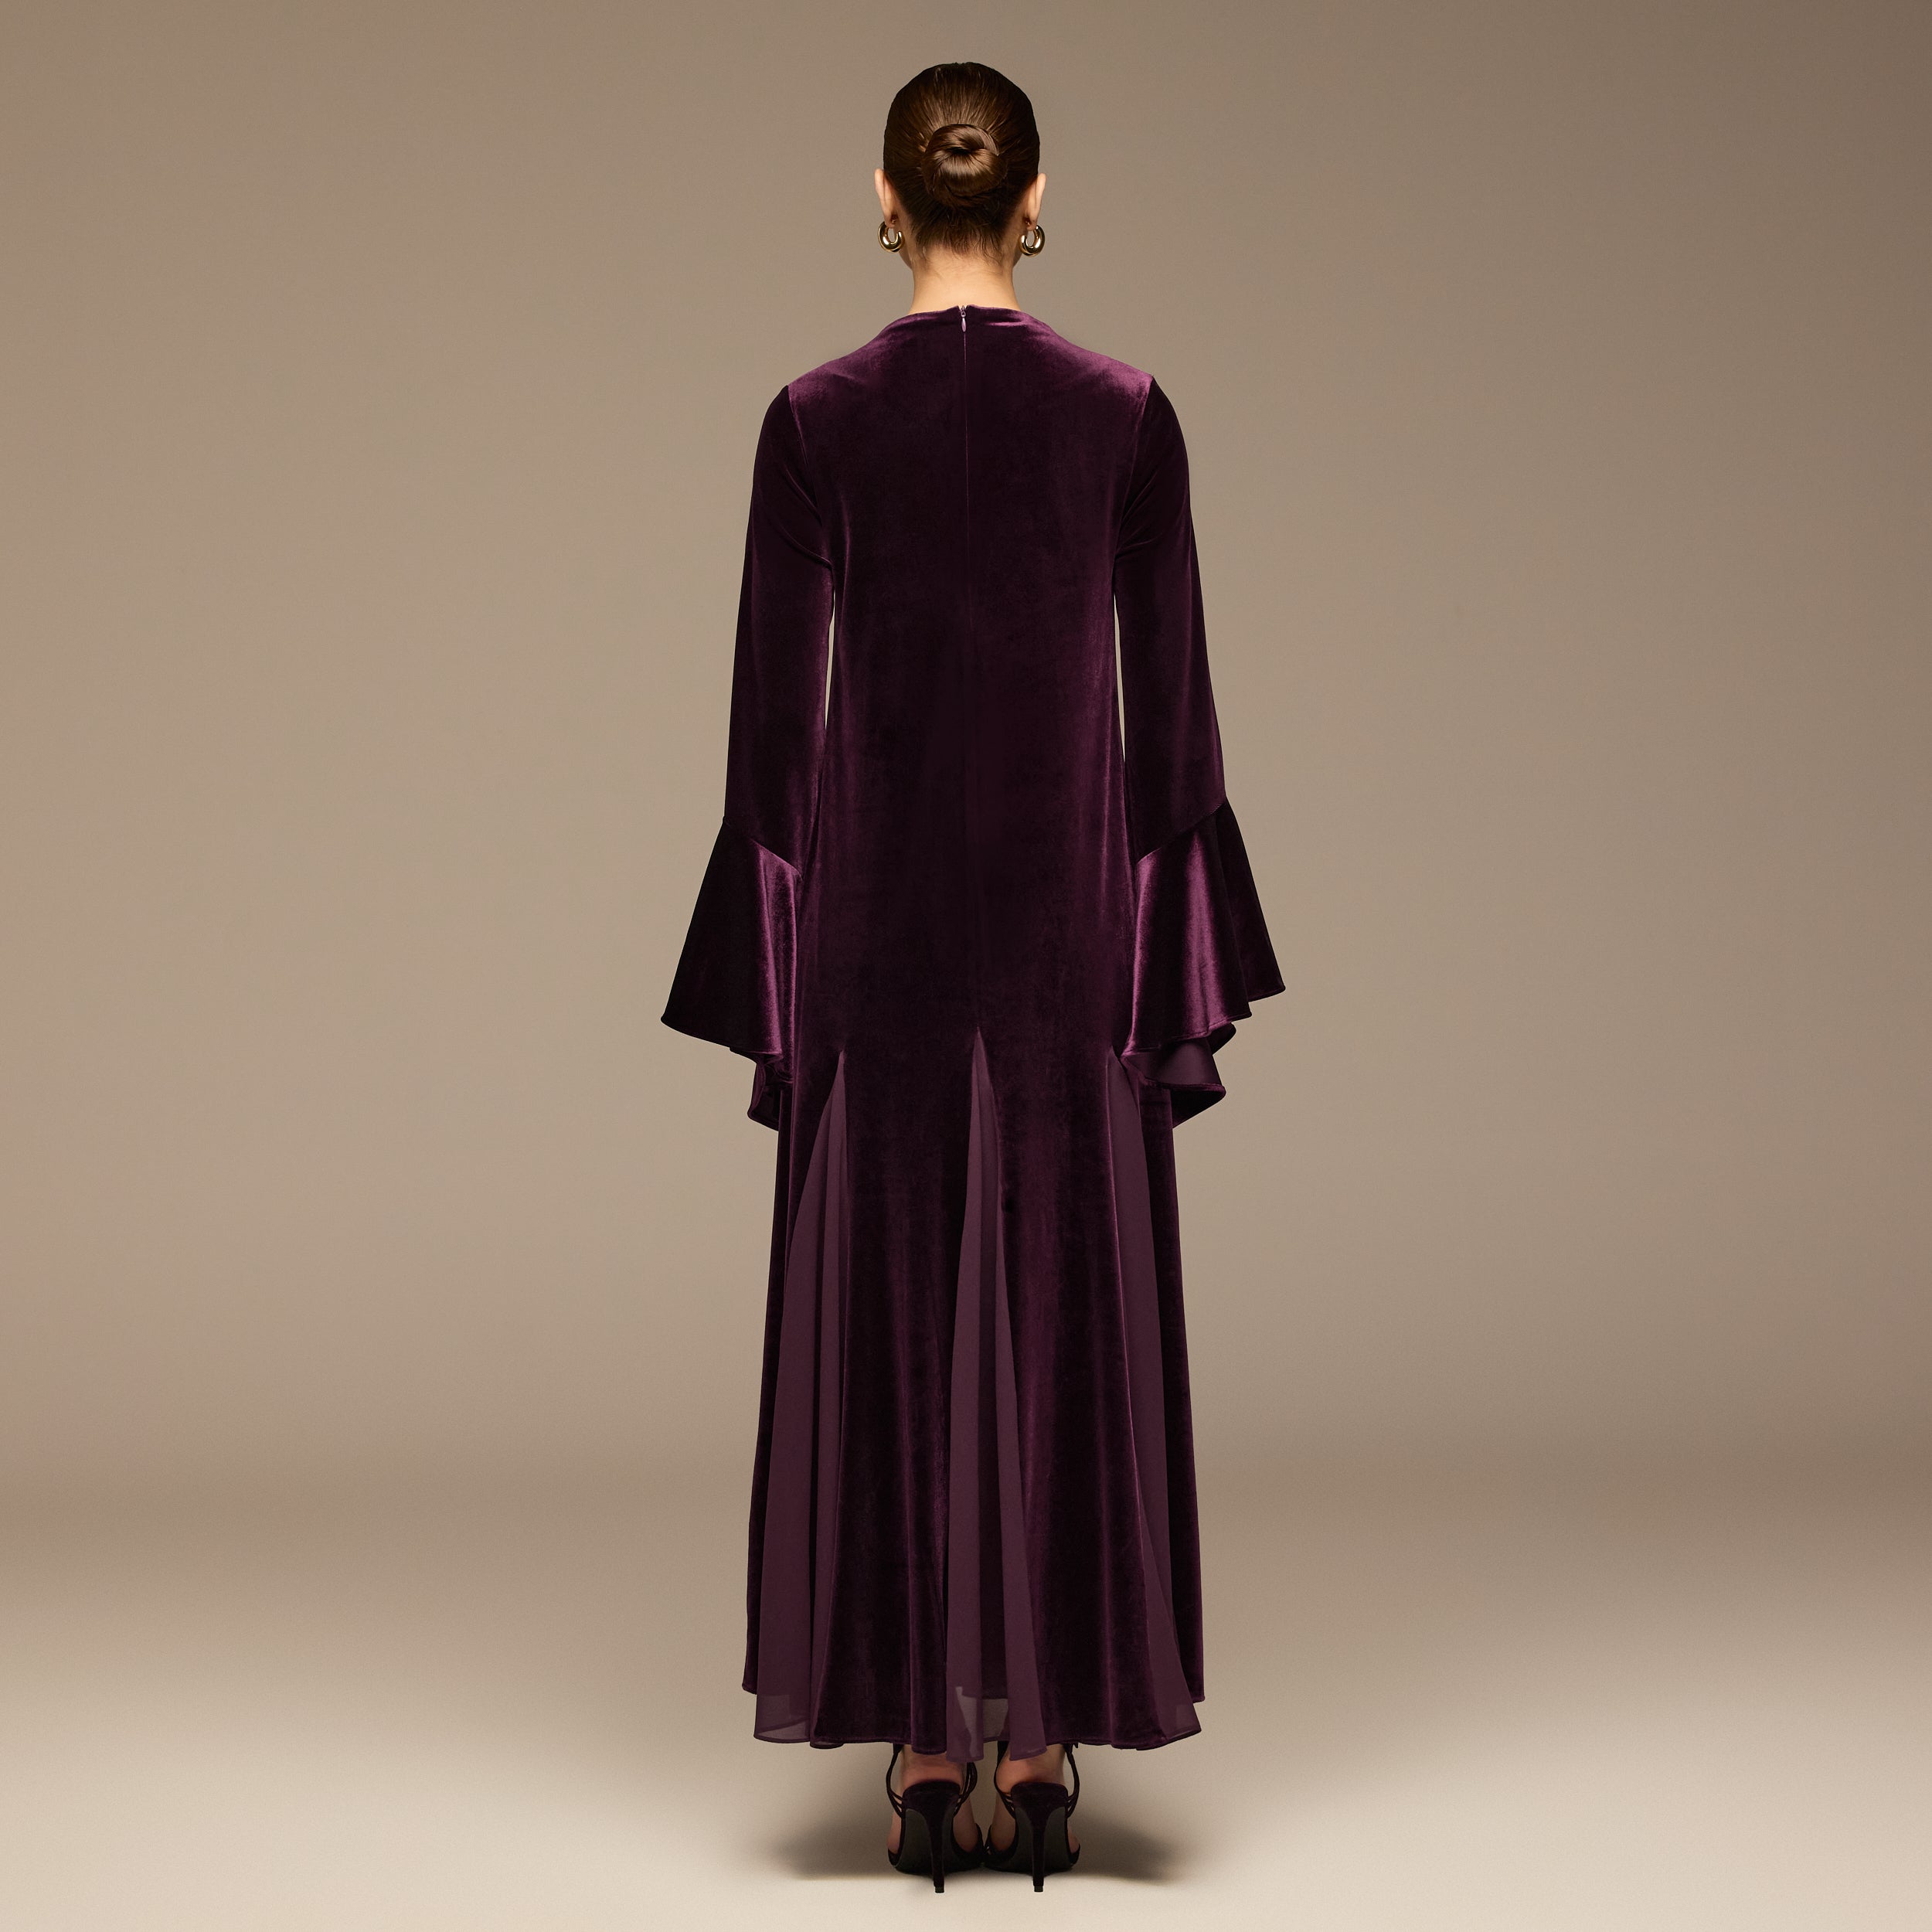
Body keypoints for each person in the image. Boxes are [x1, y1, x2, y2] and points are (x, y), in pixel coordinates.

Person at [662, 60, 1283, 1891]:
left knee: (887, 1304)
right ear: (1031, 197)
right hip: (1064, 929)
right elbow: (1172, 732)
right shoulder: (1124, 417)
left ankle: (923, 1745)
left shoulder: (811, 422)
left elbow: (769, 742)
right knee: (1066, 1301)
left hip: (874, 930)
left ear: (883, 194)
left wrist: (779, 971)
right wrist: (1170, 957)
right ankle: (1045, 1741)